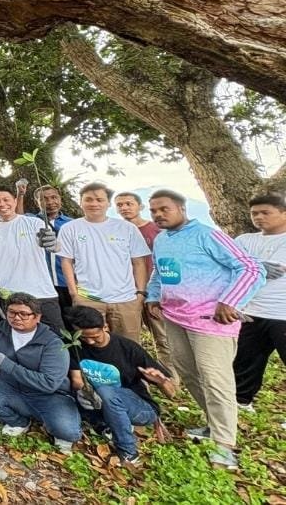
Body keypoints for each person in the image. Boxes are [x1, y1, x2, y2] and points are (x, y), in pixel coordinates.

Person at [146, 189, 264, 469]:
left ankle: (225, 446)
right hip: (175, 318)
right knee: (187, 373)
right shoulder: (162, 239)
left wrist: (230, 301)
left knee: (216, 379)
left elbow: (251, 268)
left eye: (164, 209)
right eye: (153, 211)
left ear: (182, 207)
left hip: (211, 321)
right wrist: (152, 295)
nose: (158, 215)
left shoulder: (207, 235)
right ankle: (214, 424)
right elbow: (160, 272)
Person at [63, 306, 176, 465]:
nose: (90, 342)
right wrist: (82, 392)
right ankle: (104, 425)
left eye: (95, 337)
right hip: (97, 402)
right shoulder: (75, 345)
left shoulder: (128, 348)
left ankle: (129, 452)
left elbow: (172, 393)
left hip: (139, 407)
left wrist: (161, 381)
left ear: (105, 327)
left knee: (106, 392)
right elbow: (76, 379)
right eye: (84, 338)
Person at [0, 293, 80, 454]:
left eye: (24, 314)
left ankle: (53, 423)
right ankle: (18, 421)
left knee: (68, 432)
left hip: (49, 396)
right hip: (11, 390)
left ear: (37, 317)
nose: (17, 318)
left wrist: (7, 365)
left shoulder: (53, 342)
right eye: (12, 313)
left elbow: (49, 384)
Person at [58, 183, 151, 341]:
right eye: (88, 199)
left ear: (108, 203)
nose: (94, 204)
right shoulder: (70, 228)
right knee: (91, 345)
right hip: (88, 299)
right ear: (81, 202)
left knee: (128, 344)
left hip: (126, 299)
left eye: (99, 199)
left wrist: (141, 293)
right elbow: (66, 262)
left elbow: (138, 262)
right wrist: (74, 293)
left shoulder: (126, 228)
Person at [0, 185, 64, 333]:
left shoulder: (34, 223)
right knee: (18, 343)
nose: (2, 204)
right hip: (10, 297)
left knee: (57, 341)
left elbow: (52, 245)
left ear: (15, 200)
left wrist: (53, 243)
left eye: (6, 199)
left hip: (43, 295)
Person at [114, 191, 177, 381]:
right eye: (120, 205)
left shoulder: (156, 231)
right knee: (130, 339)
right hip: (126, 293)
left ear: (139, 207)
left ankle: (169, 377)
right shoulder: (117, 231)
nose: (124, 208)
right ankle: (138, 377)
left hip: (153, 292)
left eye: (129, 204)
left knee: (162, 337)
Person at [232, 193, 286, 412]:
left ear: (283, 213)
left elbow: (276, 269)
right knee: (246, 361)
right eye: (255, 213)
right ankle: (241, 402)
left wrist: (248, 265)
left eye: (266, 212)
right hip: (252, 310)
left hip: (282, 313)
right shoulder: (245, 240)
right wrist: (256, 264)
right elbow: (228, 264)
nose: (259, 217)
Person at [29, 186, 75, 309]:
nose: (50, 202)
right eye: (44, 199)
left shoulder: (72, 223)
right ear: (36, 202)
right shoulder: (31, 222)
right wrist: (20, 193)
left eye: (54, 197)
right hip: (43, 284)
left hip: (68, 282)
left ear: (60, 199)